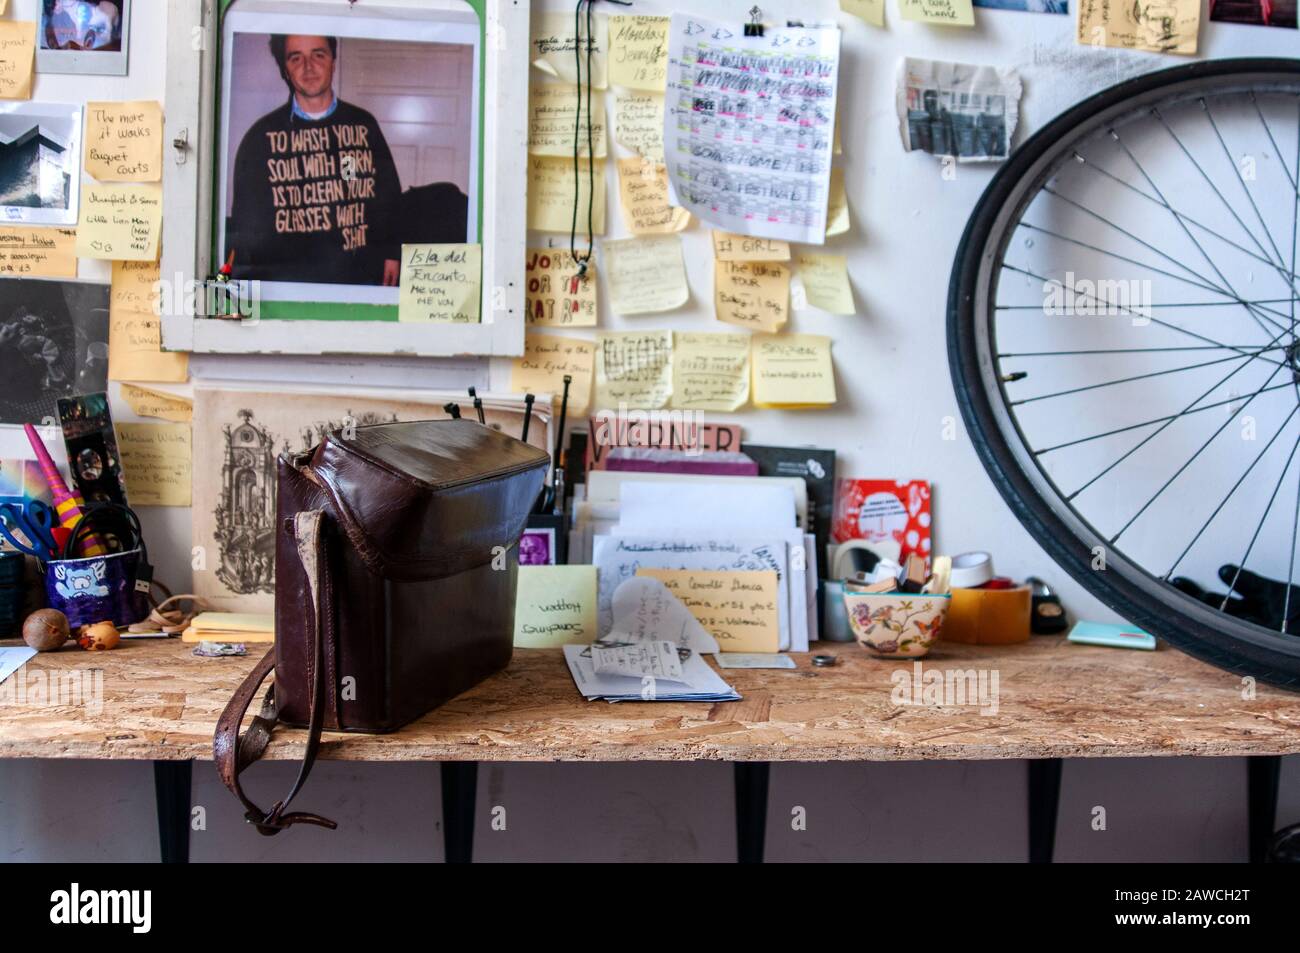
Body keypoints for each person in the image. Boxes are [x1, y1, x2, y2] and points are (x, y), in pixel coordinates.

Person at [227, 34, 403, 286]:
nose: (308, 67)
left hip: (356, 276)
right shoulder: (261, 139)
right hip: (288, 281)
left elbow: (387, 196)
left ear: (333, 60)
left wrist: (392, 252)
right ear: (285, 68)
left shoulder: (360, 126)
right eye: (296, 58)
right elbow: (246, 222)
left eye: (318, 55)